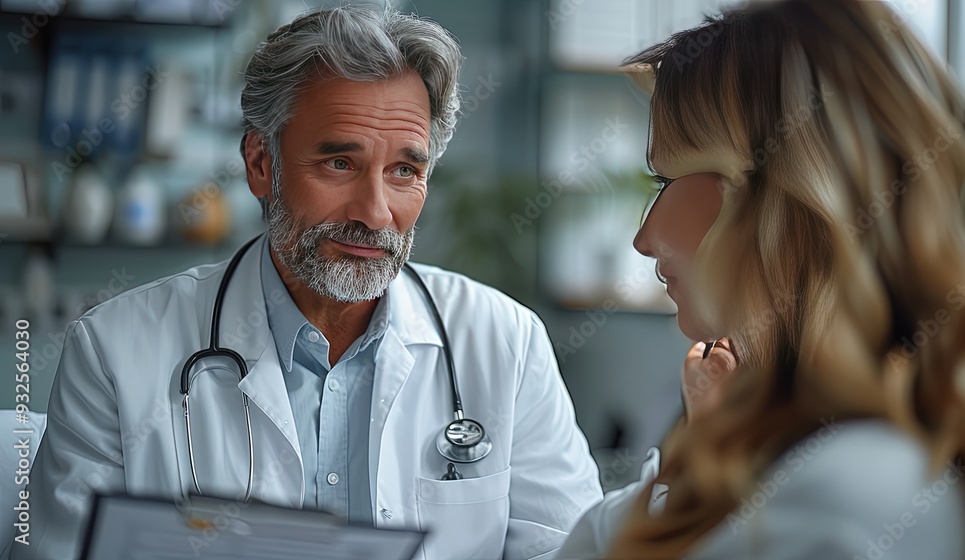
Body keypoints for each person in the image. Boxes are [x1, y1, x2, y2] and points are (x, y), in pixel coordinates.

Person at [9, 6, 602, 560]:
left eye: (405, 170)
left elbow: (570, 549)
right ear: (261, 164)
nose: (374, 212)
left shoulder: (507, 342)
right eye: (339, 163)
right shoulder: (114, 350)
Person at [556, 0, 965, 558]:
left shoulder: (851, 503)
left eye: (663, 180)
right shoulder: (830, 466)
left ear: (782, 196)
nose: (644, 239)